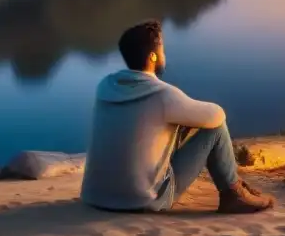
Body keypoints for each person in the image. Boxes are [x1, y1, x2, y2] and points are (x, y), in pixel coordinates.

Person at [80, 20, 274, 213]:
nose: (165, 54)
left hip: (96, 196)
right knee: (216, 128)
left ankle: (236, 186)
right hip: (143, 201)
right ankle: (233, 193)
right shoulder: (163, 94)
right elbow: (217, 115)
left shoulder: (104, 86)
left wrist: (181, 121)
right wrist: (188, 115)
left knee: (173, 124)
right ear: (153, 57)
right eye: (162, 50)